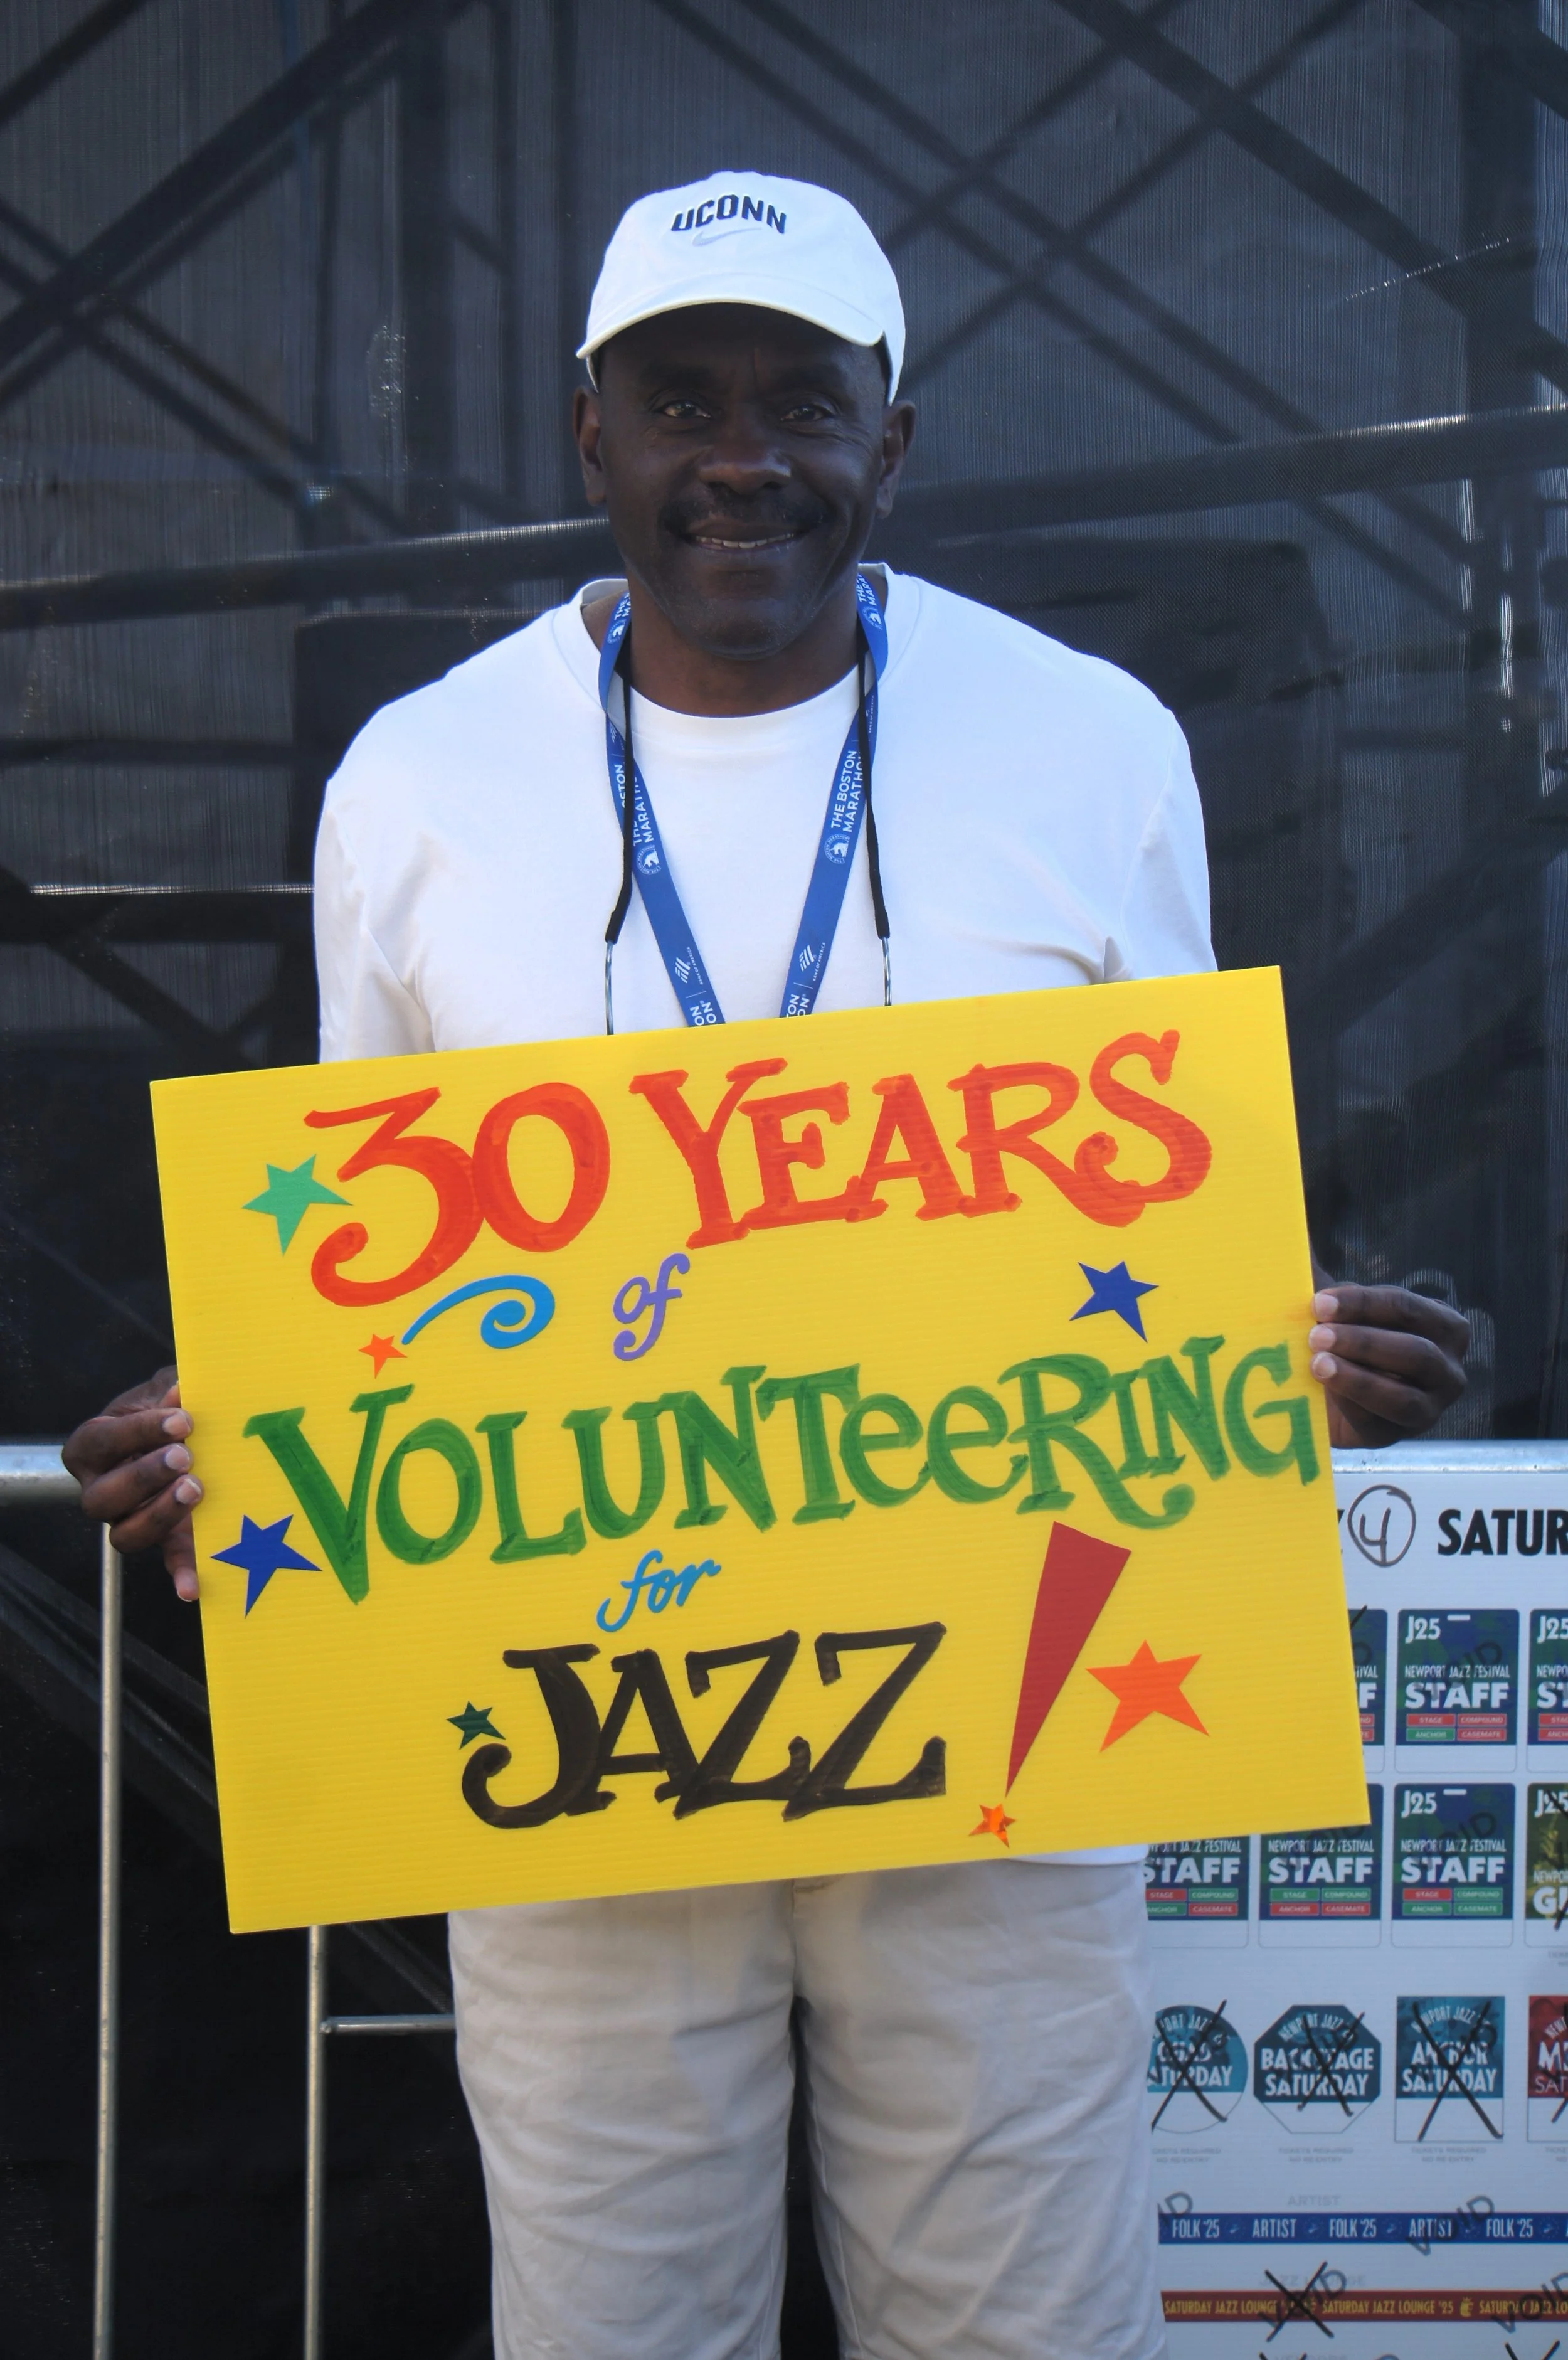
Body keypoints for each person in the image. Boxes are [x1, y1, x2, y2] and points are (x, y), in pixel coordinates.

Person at [64, 172, 1467, 2360]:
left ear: (888, 444)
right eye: (681, 400)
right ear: (587, 433)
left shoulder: (1093, 745)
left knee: (1020, 2326)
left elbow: (1168, 1232)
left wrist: (1285, 1345)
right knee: (618, 2325)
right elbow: (351, 1272)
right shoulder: (419, 781)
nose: (744, 460)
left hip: (1012, 1717)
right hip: (574, 1731)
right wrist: (224, 1436)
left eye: (801, 404)